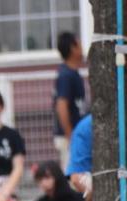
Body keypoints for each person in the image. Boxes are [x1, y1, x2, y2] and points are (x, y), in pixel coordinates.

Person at [53, 31, 87, 168]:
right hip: (70, 135)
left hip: (77, 133)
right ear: (73, 48)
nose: (82, 47)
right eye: (79, 44)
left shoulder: (73, 73)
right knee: (73, 173)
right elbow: (61, 105)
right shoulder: (66, 75)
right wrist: (70, 134)